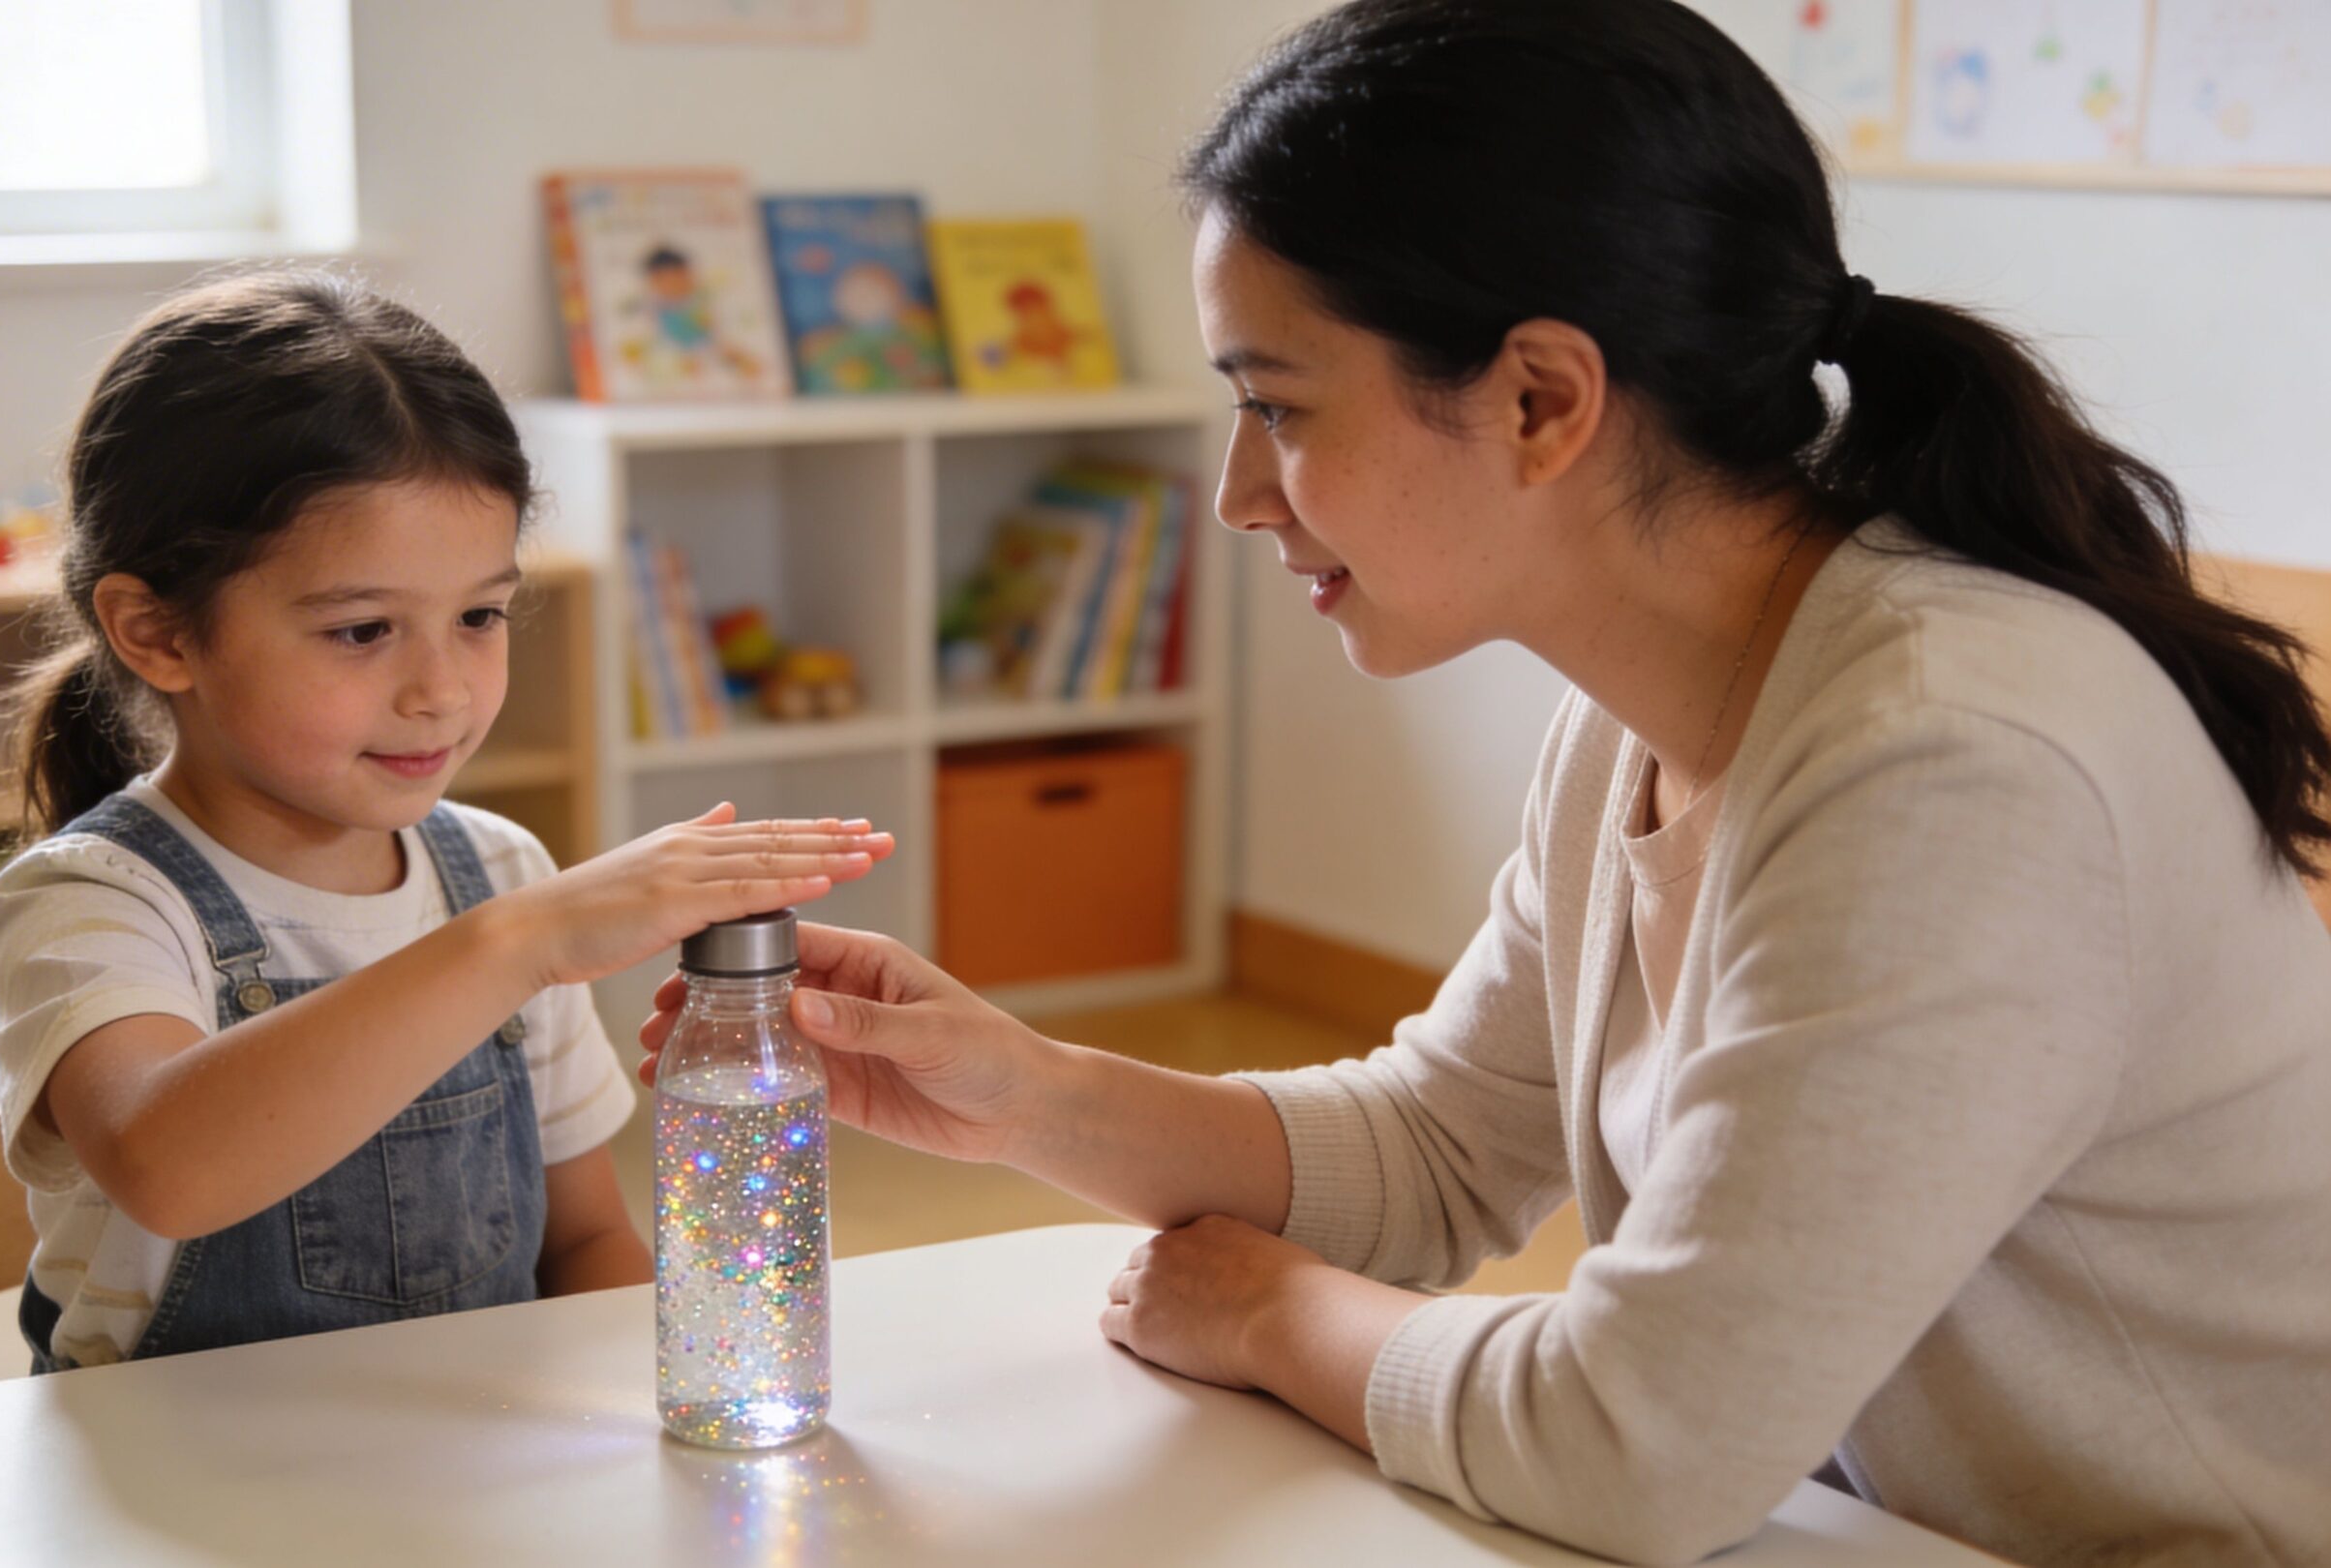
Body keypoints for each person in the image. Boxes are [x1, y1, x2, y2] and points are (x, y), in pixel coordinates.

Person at [642, 4, 2331, 1563]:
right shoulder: (1649, 711)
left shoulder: (1954, 760)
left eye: (1277, 406)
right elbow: (1447, 1151)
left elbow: (1642, 1444)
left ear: (1539, 398)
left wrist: (1265, 1317)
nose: (1238, 493)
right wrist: (1026, 1094)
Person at [0, 270, 891, 1371]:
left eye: (479, 616)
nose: (442, 691)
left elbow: (587, 1237)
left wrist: (692, 1387)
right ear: (157, 633)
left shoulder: (499, 870)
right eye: (364, 631)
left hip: (471, 1472)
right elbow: (168, 1168)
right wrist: (523, 941)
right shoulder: (93, 898)